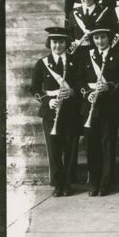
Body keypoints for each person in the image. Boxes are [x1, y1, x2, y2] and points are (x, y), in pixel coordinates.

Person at [74, 25, 119, 196]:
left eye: (103, 37)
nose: (100, 41)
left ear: (109, 38)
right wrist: (87, 94)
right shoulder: (85, 55)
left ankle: (106, 182)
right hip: (90, 107)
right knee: (92, 146)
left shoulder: (118, 55)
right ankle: (94, 182)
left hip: (109, 107)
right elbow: (79, 80)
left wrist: (109, 86)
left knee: (107, 144)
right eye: (96, 38)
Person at [30, 27, 80, 197]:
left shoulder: (75, 61)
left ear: (66, 43)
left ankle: (68, 183)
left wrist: (73, 92)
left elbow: (82, 84)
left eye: (61, 42)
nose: (57, 45)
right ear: (49, 43)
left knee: (71, 149)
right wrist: (47, 100)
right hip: (51, 112)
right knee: (54, 149)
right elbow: (34, 88)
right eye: (54, 42)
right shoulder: (42, 63)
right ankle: (58, 184)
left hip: (71, 110)